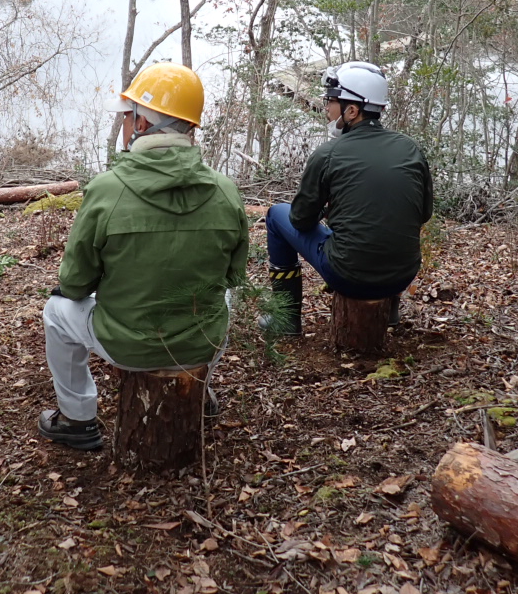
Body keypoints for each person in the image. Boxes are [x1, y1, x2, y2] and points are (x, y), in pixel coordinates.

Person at [37, 63, 250, 450]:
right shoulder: (226, 189)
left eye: (126, 116)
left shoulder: (107, 189)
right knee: (225, 297)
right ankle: (199, 391)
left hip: (127, 345)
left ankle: (77, 419)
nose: (123, 124)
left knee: (56, 311)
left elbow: (75, 283)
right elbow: (235, 276)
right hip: (202, 341)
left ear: (141, 124)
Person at [262, 62, 433, 336]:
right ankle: (390, 309)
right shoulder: (410, 148)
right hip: (403, 274)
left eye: (331, 101)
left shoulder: (328, 153)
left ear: (352, 110)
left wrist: (326, 212)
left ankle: (286, 319)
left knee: (275, 215)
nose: (327, 109)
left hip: (348, 276)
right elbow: (423, 214)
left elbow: (300, 220)